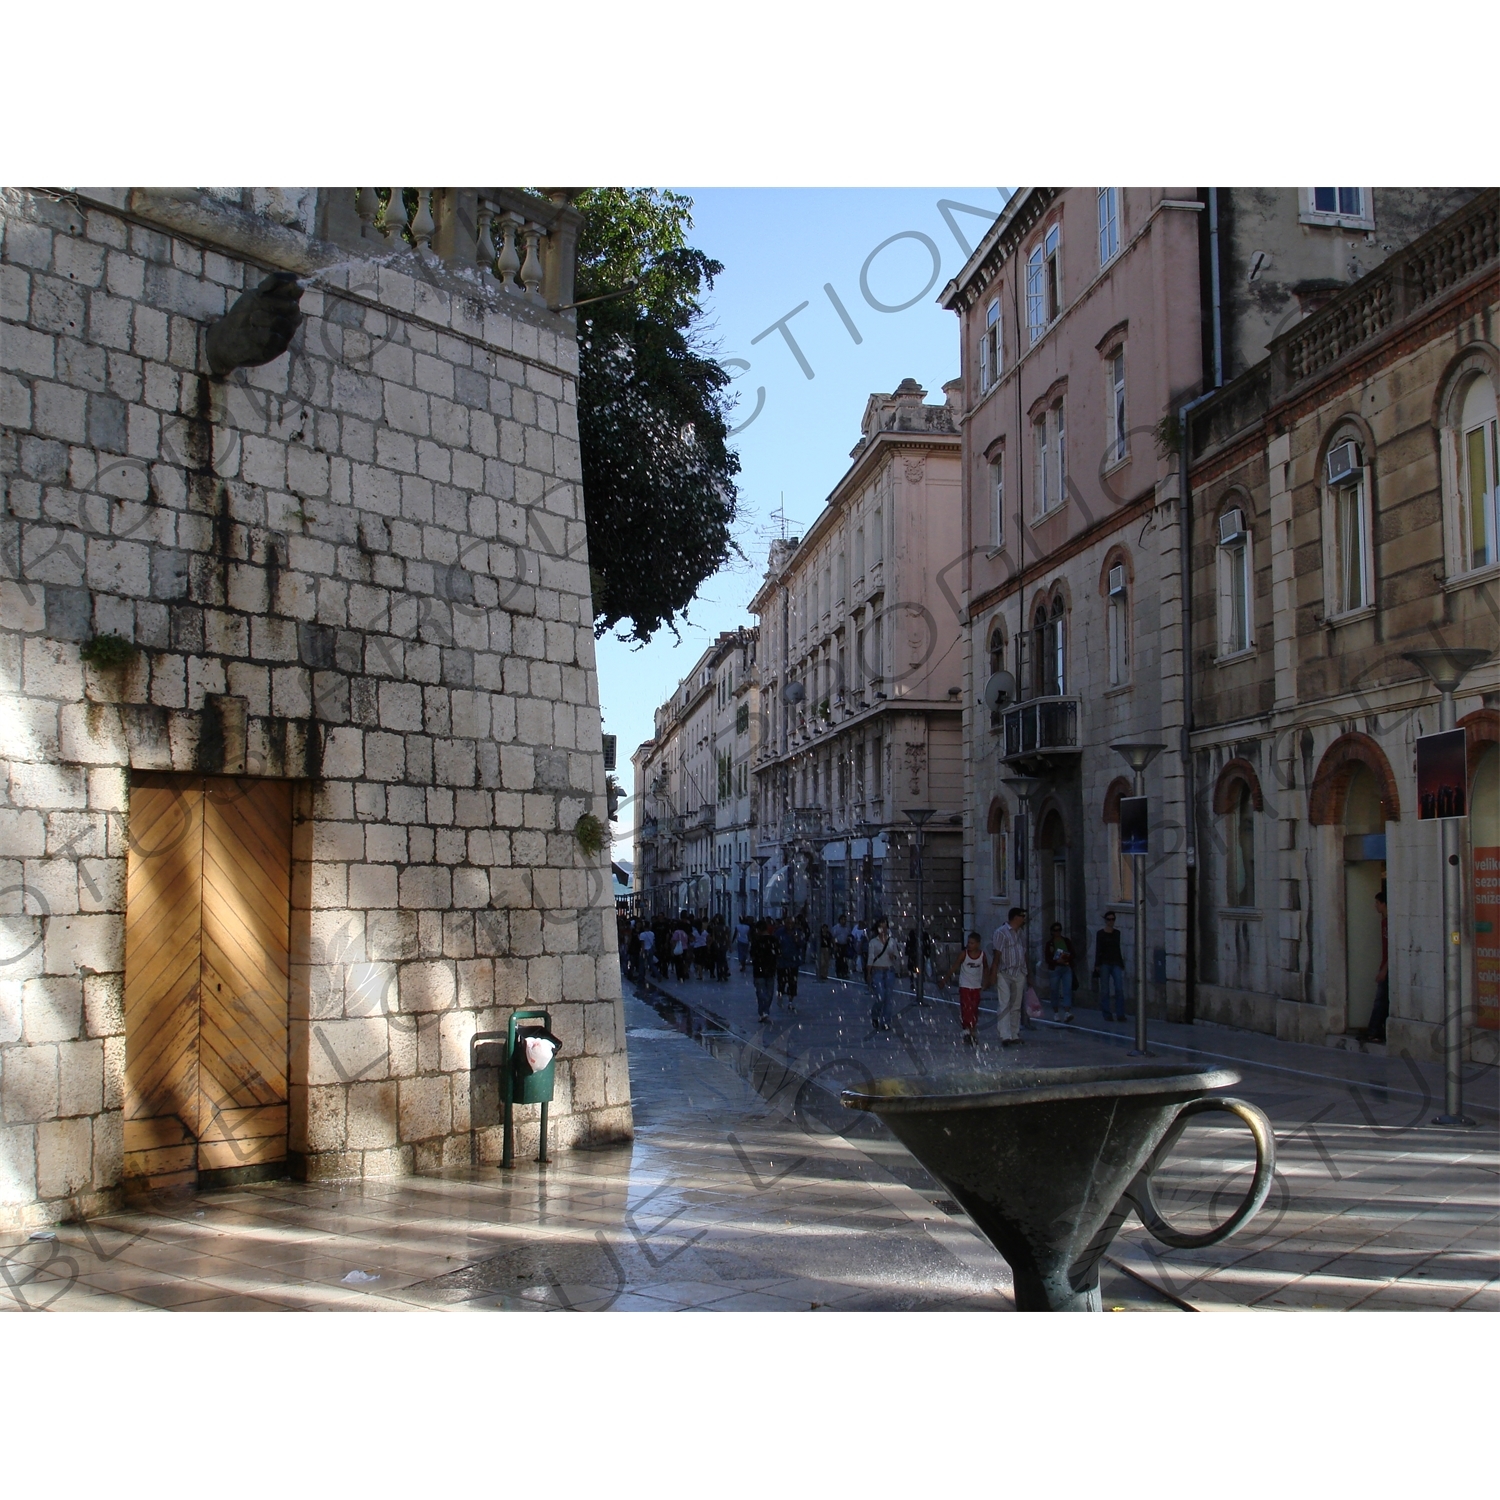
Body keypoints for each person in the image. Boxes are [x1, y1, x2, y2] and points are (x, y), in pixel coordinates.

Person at [942, 930, 990, 1045]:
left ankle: (972, 1030)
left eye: (972, 943)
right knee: (966, 1009)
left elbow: (986, 968)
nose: (969, 945)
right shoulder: (964, 954)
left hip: (976, 986)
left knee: (974, 1009)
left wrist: (986, 981)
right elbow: (955, 966)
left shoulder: (982, 956)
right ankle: (967, 1031)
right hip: (965, 985)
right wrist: (945, 979)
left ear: (978, 944)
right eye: (968, 943)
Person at [990, 907, 1028, 1046]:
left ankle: (1014, 1033)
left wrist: (1027, 972)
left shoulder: (1021, 933)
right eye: (1021, 916)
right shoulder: (1001, 933)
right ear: (1015, 917)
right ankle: (1005, 1035)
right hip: (1004, 972)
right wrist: (993, 973)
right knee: (1004, 1003)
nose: (1023, 918)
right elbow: (997, 954)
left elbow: (1024, 952)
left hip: (1019, 972)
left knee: (1016, 1004)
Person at [1363, 886, 1390, 1044]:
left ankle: (1373, 1031)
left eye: (1377, 903)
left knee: (1380, 1000)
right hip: (1384, 966)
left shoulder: (1389, 923)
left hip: (1386, 968)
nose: (1375, 906)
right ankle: (1377, 1030)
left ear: (1384, 904)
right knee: (1383, 1000)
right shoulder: (1384, 922)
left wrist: (1384, 970)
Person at [1092, 911, 1126, 1023]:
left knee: (1119, 989)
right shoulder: (1100, 933)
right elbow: (1098, 949)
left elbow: (1118, 949)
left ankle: (1120, 1014)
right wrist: (1097, 964)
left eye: (1113, 919)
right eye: (1109, 919)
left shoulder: (1117, 933)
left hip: (1115, 962)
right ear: (1105, 920)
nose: (1111, 921)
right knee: (1105, 990)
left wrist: (1121, 963)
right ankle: (1107, 1013)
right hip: (1104, 963)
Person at [866, 916, 897, 1031]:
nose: (883, 930)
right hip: (877, 971)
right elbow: (870, 958)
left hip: (889, 970)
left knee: (888, 998)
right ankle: (875, 1014)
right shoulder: (873, 942)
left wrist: (892, 956)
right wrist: (868, 973)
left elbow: (896, 956)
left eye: (885, 927)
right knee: (881, 996)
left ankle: (886, 1021)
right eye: (881, 927)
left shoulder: (891, 941)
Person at [1043, 921, 1076, 1024]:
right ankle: (1056, 1013)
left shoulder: (1066, 941)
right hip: (1055, 968)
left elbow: (1072, 953)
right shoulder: (1050, 944)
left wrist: (1066, 958)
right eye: (1055, 930)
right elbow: (1047, 958)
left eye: (1059, 930)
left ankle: (1067, 1012)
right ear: (1052, 932)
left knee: (1067, 989)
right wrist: (1056, 961)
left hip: (1066, 967)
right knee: (1054, 990)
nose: (1058, 932)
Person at [750, 919, 780, 1022]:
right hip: (770, 969)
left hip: (759, 969)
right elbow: (778, 952)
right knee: (769, 992)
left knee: (761, 992)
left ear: (758, 929)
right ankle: (765, 1010)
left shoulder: (756, 941)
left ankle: (763, 1011)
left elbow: (752, 954)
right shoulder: (773, 940)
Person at [775, 917, 800, 1011]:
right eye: (788, 923)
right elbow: (775, 943)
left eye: (792, 923)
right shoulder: (779, 932)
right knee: (781, 981)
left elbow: (801, 943)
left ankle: (790, 1001)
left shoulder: (796, 932)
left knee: (792, 982)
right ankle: (780, 996)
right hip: (782, 962)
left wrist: (797, 940)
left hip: (793, 962)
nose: (790, 925)